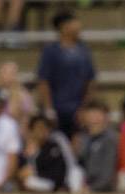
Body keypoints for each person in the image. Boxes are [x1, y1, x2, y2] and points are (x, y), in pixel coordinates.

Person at [36, 10, 96, 138]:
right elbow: (43, 81)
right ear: (64, 27)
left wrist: (85, 107)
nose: (79, 26)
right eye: (75, 22)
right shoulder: (51, 51)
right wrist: (49, 109)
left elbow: (90, 81)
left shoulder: (84, 51)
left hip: (77, 109)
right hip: (57, 108)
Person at [77, 98, 118, 193]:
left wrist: (92, 189)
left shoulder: (110, 139)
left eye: (97, 115)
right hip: (86, 187)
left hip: (104, 192)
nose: (93, 119)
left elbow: (108, 174)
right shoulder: (84, 138)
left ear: (105, 117)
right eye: (90, 116)